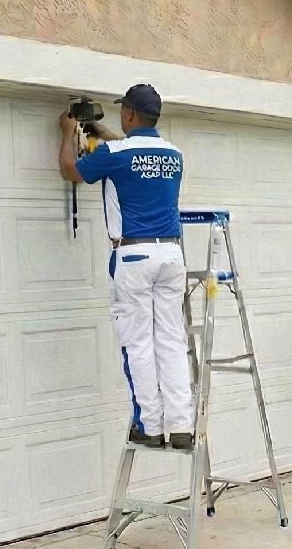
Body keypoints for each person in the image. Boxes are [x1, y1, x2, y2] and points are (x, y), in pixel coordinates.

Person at [58, 84, 193, 450]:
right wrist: (109, 138)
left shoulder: (116, 153)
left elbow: (71, 170)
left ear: (131, 114)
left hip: (133, 256)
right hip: (171, 255)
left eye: (123, 111)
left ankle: (149, 425)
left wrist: (68, 133)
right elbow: (139, 158)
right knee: (171, 339)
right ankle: (181, 425)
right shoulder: (174, 154)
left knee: (138, 342)